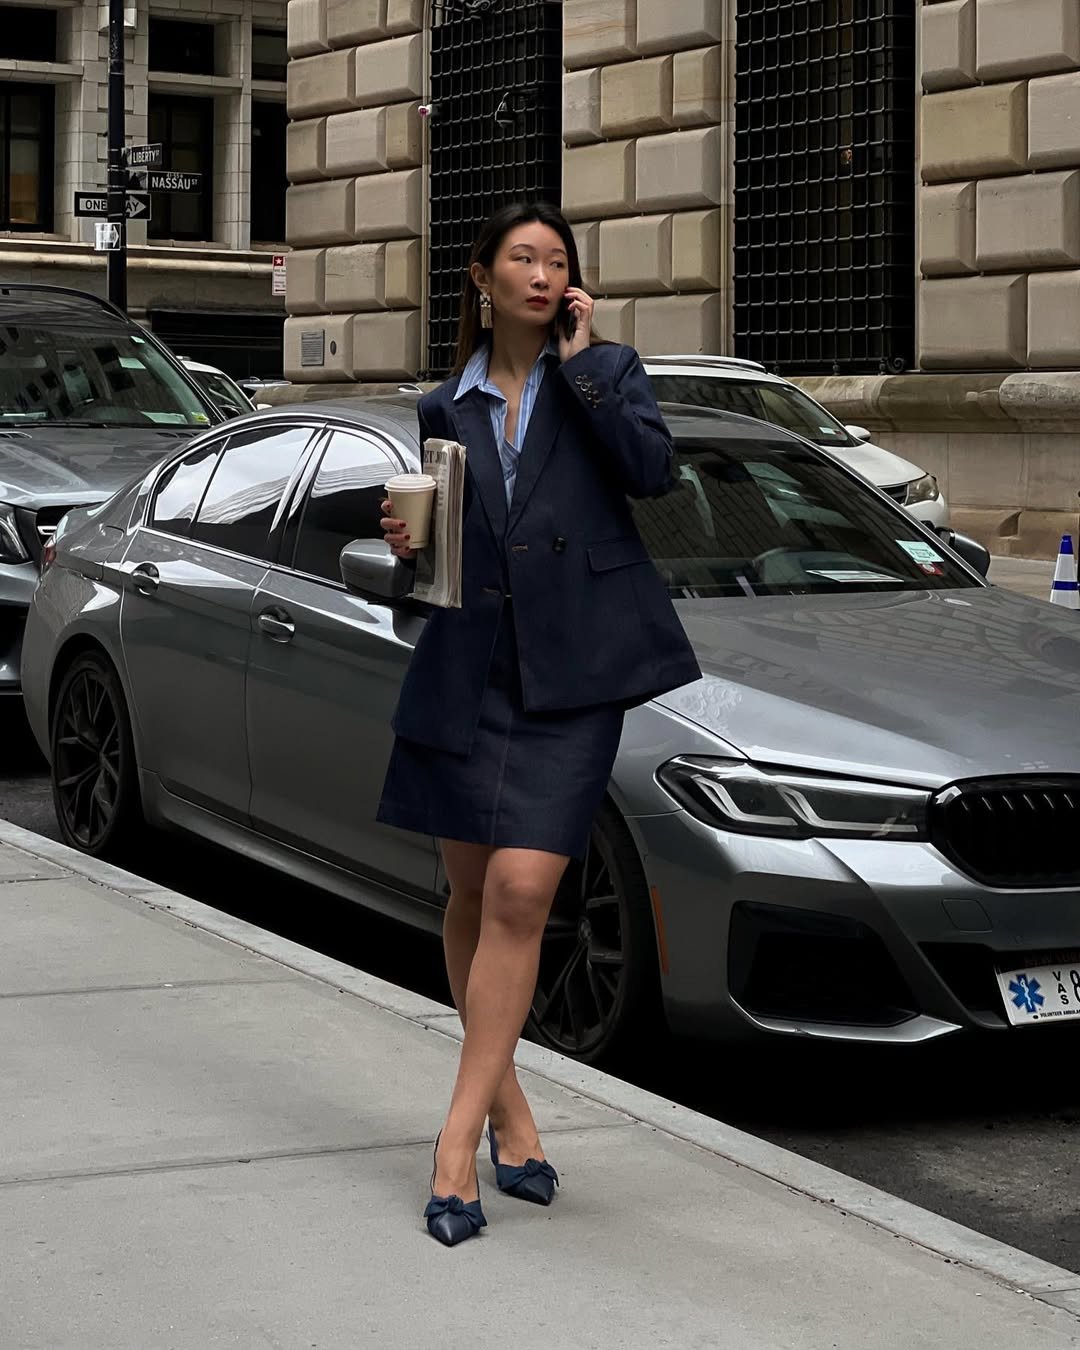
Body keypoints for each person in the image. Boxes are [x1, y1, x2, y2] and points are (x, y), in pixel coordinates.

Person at [378, 200, 701, 1246]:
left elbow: (654, 475)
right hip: (469, 669)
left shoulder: (605, 376)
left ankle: (454, 1146)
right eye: (522, 256)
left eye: (556, 261)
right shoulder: (442, 405)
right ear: (479, 276)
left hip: (573, 678)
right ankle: (515, 1114)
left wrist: (588, 357)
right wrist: (401, 546)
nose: (540, 272)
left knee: (523, 891)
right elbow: (438, 559)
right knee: (472, 891)